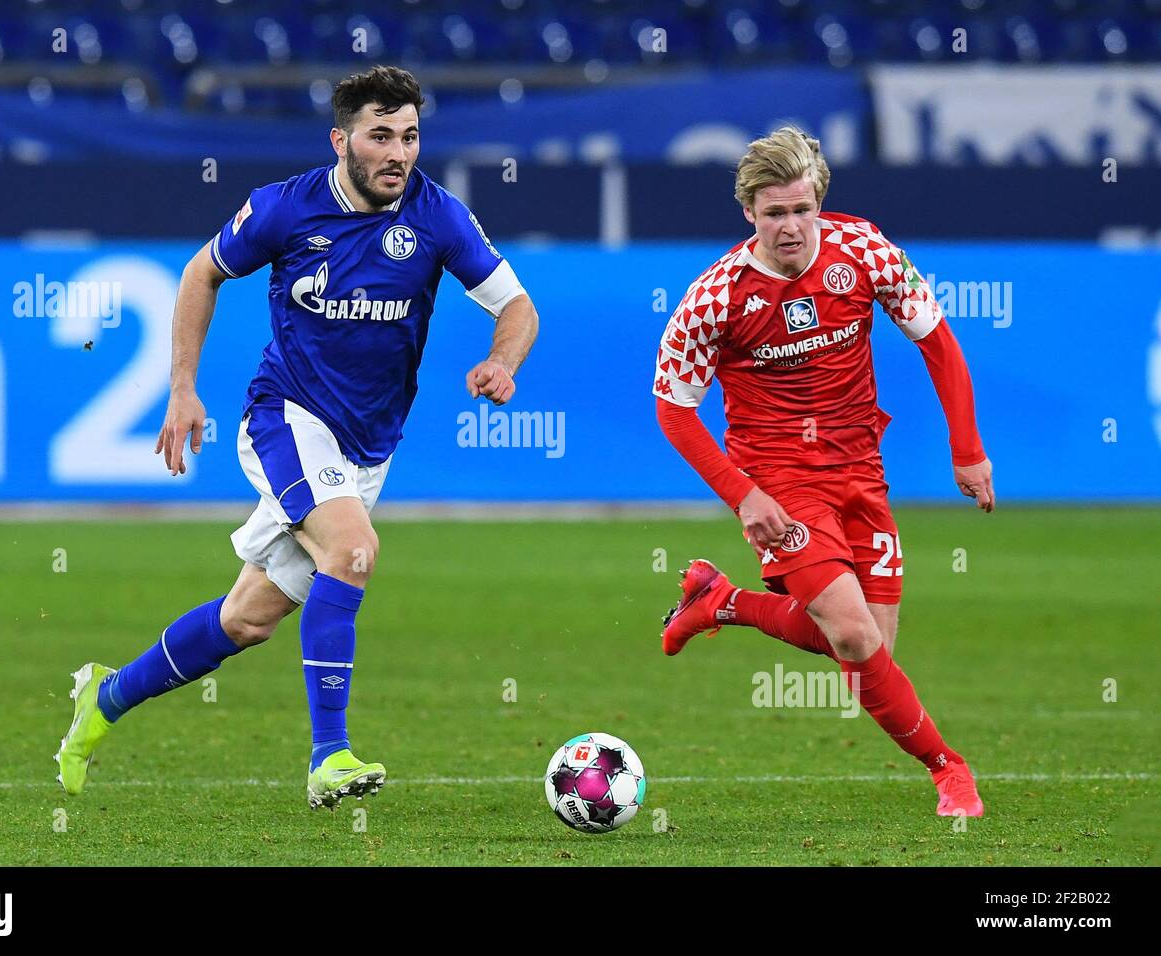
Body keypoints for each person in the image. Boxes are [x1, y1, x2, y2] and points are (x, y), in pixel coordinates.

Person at [56, 65, 538, 809]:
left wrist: (502, 361)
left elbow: (517, 307)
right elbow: (200, 273)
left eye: (410, 137)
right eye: (381, 136)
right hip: (285, 417)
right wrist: (183, 388)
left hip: (368, 448)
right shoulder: (284, 209)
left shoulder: (439, 216)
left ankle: (105, 698)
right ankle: (329, 756)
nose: (398, 154)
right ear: (341, 140)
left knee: (246, 620)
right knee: (353, 551)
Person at [654, 126, 991, 817]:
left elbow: (937, 340)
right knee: (854, 635)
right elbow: (674, 409)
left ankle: (723, 602)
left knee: (870, 649)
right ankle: (948, 768)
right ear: (749, 212)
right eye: (774, 213)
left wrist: (967, 448)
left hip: (860, 468)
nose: (790, 227)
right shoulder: (715, 298)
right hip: (778, 480)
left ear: (819, 203)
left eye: (801, 210)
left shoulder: (863, 249)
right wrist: (744, 495)